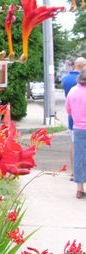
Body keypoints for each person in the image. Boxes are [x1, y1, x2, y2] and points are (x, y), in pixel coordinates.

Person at [61, 57, 86, 180]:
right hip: (83, 121)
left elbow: (68, 106)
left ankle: (74, 173)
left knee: (74, 146)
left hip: (74, 119)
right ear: (82, 65)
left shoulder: (66, 80)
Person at [66, 68, 86, 198]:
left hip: (78, 128)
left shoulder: (72, 91)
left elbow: (68, 111)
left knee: (79, 158)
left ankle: (80, 189)